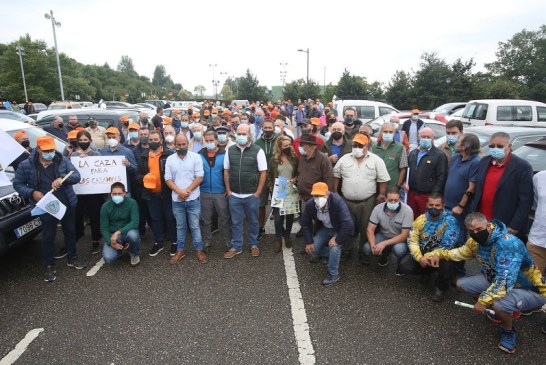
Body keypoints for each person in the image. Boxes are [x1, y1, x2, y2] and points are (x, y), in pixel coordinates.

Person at [426, 212, 546, 353]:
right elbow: (459, 253)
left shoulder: (507, 244)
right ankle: (498, 312)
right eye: (472, 231)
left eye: (479, 229)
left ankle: (508, 330)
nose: (476, 233)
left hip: (529, 288)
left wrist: (483, 301)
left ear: (488, 225)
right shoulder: (474, 242)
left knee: (499, 304)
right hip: (496, 280)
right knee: (461, 284)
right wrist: (437, 253)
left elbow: (505, 281)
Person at [13, 136, 85, 282]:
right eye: (46, 150)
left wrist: (63, 178)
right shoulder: (26, 165)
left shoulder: (62, 160)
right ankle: (48, 265)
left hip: (66, 203)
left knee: (70, 232)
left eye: (52, 150)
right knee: (48, 236)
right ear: (38, 149)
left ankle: (72, 257)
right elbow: (18, 184)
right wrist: (32, 193)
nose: (49, 153)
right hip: (45, 206)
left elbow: (76, 176)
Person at [333, 134, 390, 263]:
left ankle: (362, 252)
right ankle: (347, 251)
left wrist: (381, 195)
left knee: (365, 228)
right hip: (346, 201)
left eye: (360, 145)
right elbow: (336, 175)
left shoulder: (376, 160)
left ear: (367, 146)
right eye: (354, 145)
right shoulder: (344, 159)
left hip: (367, 201)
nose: (356, 148)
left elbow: (383, 179)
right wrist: (335, 192)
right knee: (347, 226)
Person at [470, 131, 534, 241]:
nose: (495, 149)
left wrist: (515, 225)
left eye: (500, 146)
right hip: (483, 223)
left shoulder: (522, 167)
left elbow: (526, 200)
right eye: (492, 146)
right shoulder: (484, 161)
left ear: (509, 146)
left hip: (506, 225)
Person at [397, 193, 460, 302]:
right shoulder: (420, 220)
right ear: (427, 205)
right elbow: (412, 241)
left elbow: (449, 244)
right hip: (423, 253)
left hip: (441, 255)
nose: (433, 208)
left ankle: (441, 288)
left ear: (443, 206)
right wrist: (420, 258)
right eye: (431, 205)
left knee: (447, 266)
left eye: (437, 205)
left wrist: (431, 256)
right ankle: (426, 272)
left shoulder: (450, 221)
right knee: (404, 266)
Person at [223, 124, 267, 259]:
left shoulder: (258, 150)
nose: (241, 136)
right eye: (239, 133)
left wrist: (258, 193)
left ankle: (254, 245)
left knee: (253, 221)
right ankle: (236, 246)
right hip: (234, 195)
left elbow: (263, 172)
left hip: (251, 194)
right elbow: (226, 171)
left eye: (243, 134)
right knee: (236, 222)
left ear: (249, 135)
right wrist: (229, 191)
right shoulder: (230, 150)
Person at [165, 134, 207, 264]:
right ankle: (180, 250)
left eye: (183, 144)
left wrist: (186, 192)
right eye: (178, 144)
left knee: (195, 226)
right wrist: (179, 192)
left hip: (193, 198)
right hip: (177, 199)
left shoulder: (196, 157)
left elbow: (199, 176)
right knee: (180, 226)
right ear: (175, 145)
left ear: (187, 143)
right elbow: (168, 179)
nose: (181, 146)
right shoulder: (170, 159)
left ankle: (199, 250)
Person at [302, 182, 355, 286]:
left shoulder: (337, 201)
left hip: (339, 229)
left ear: (327, 193)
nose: (318, 198)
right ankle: (333, 255)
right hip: (326, 228)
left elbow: (348, 223)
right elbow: (304, 222)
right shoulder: (310, 204)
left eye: (321, 195)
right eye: (316, 196)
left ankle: (333, 275)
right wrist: (309, 241)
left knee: (334, 247)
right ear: (312, 195)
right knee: (312, 250)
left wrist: (337, 239)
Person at [137, 130, 177, 257]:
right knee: (155, 219)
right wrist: (144, 178)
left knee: (170, 218)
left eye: (155, 139)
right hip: (151, 194)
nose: (153, 142)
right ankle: (158, 242)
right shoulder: (143, 156)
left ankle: (175, 242)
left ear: (161, 140)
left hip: (167, 193)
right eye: (150, 140)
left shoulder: (170, 155)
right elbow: (137, 175)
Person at [362, 187, 413, 269]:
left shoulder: (408, 211)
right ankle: (384, 255)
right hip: (384, 234)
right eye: (390, 200)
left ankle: (401, 265)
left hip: (399, 237)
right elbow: (370, 229)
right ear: (385, 199)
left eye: (396, 200)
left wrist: (384, 243)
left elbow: (404, 235)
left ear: (400, 199)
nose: (393, 202)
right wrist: (373, 246)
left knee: (399, 250)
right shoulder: (377, 208)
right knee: (367, 248)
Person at [198, 130, 232, 252]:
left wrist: (228, 189)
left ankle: (228, 241)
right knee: (205, 219)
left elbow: (229, 173)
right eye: (207, 141)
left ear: (217, 141)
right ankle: (206, 241)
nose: (209, 143)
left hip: (220, 192)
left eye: (211, 140)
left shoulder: (225, 155)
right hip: (204, 191)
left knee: (225, 218)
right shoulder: (199, 155)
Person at [403, 127, 448, 218]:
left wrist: (434, 196)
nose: (425, 139)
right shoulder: (413, 153)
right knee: (411, 217)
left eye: (428, 137)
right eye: (423, 136)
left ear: (433, 138)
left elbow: (442, 177)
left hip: (427, 195)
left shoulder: (439, 155)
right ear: (418, 137)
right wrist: (404, 182)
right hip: (412, 193)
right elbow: (407, 170)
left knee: (426, 218)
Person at [72, 130, 104, 254]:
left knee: (95, 217)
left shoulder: (96, 155)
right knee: (77, 216)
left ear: (90, 141)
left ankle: (95, 240)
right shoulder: (74, 156)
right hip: (79, 192)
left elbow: (102, 171)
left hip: (94, 193)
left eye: (85, 140)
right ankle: (76, 236)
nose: (83, 142)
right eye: (81, 140)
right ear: (77, 141)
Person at [267, 136, 299, 253]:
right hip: (279, 189)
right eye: (285, 146)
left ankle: (287, 235)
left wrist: (296, 178)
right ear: (280, 147)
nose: (288, 147)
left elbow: (299, 172)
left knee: (290, 216)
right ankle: (278, 239)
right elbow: (269, 174)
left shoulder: (294, 158)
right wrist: (270, 186)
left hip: (290, 189)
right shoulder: (273, 160)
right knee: (278, 218)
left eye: (289, 145)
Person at [100, 182, 141, 267]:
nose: (117, 196)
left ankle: (134, 253)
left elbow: (135, 222)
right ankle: (120, 248)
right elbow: (104, 228)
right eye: (114, 194)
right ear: (110, 194)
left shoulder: (132, 203)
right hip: (113, 235)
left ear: (124, 193)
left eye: (119, 193)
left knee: (133, 236)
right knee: (109, 258)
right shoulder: (105, 207)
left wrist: (118, 232)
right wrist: (110, 242)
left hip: (128, 231)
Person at [255, 119, 278, 239]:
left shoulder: (279, 140)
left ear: (274, 128)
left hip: (278, 177)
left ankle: (279, 228)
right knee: (261, 204)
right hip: (262, 177)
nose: (268, 130)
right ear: (262, 129)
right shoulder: (257, 143)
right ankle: (260, 227)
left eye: (270, 128)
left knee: (279, 204)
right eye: (265, 128)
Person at [100, 127, 137, 195]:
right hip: (107, 190)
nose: (111, 139)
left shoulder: (127, 152)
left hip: (124, 191)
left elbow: (136, 169)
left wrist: (128, 165)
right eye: (109, 137)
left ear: (119, 138)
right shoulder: (103, 152)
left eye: (114, 137)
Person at [372, 122, 408, 189]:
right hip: (376, 186)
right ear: (381, 133)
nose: (388, 134)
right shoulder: (374, 147)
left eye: (391, 132)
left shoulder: (400, 148)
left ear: (394, 133)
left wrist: (397, 186)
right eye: (385, 131)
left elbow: (403, 169)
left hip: (392, 187)